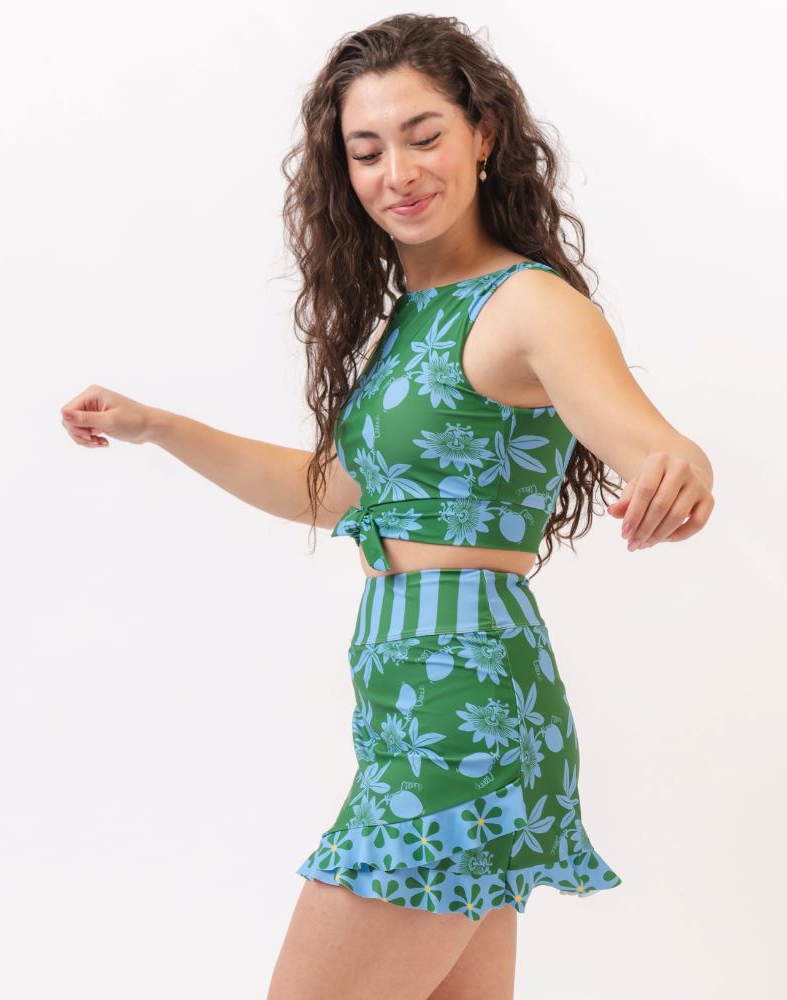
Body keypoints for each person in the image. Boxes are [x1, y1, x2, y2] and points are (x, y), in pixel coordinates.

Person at [59, 13, 715, 1000]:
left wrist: (677, 460)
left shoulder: (528, 305)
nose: (396, 172)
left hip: (462, 711)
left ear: (482, 134)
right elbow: (341, 493)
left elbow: (638, 433)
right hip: (418, 700)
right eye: (365, 150)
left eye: (422, 135)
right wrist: (160, 426)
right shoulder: (411, 317)